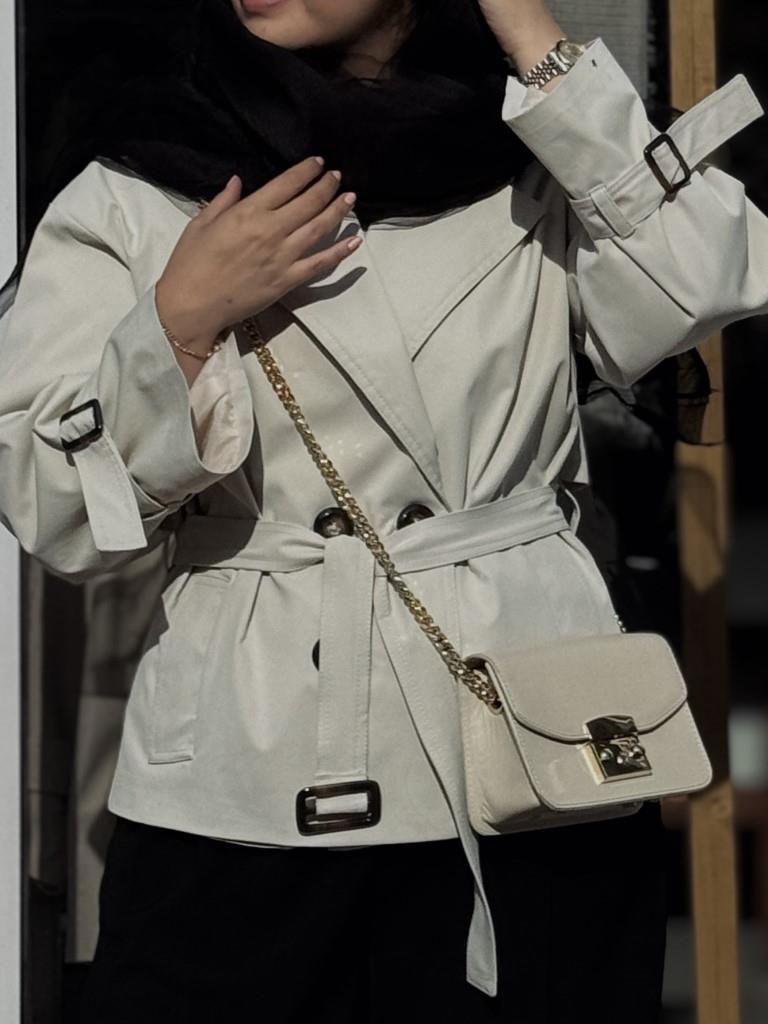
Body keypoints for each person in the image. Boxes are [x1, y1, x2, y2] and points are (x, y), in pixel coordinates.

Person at [0, 0, 766, 1020]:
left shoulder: (542, 152)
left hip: (529, 750)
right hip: (245, 762)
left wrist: (531, 32)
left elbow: (711, 274)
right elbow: (47, 501)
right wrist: (178, 322)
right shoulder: (142, 178)